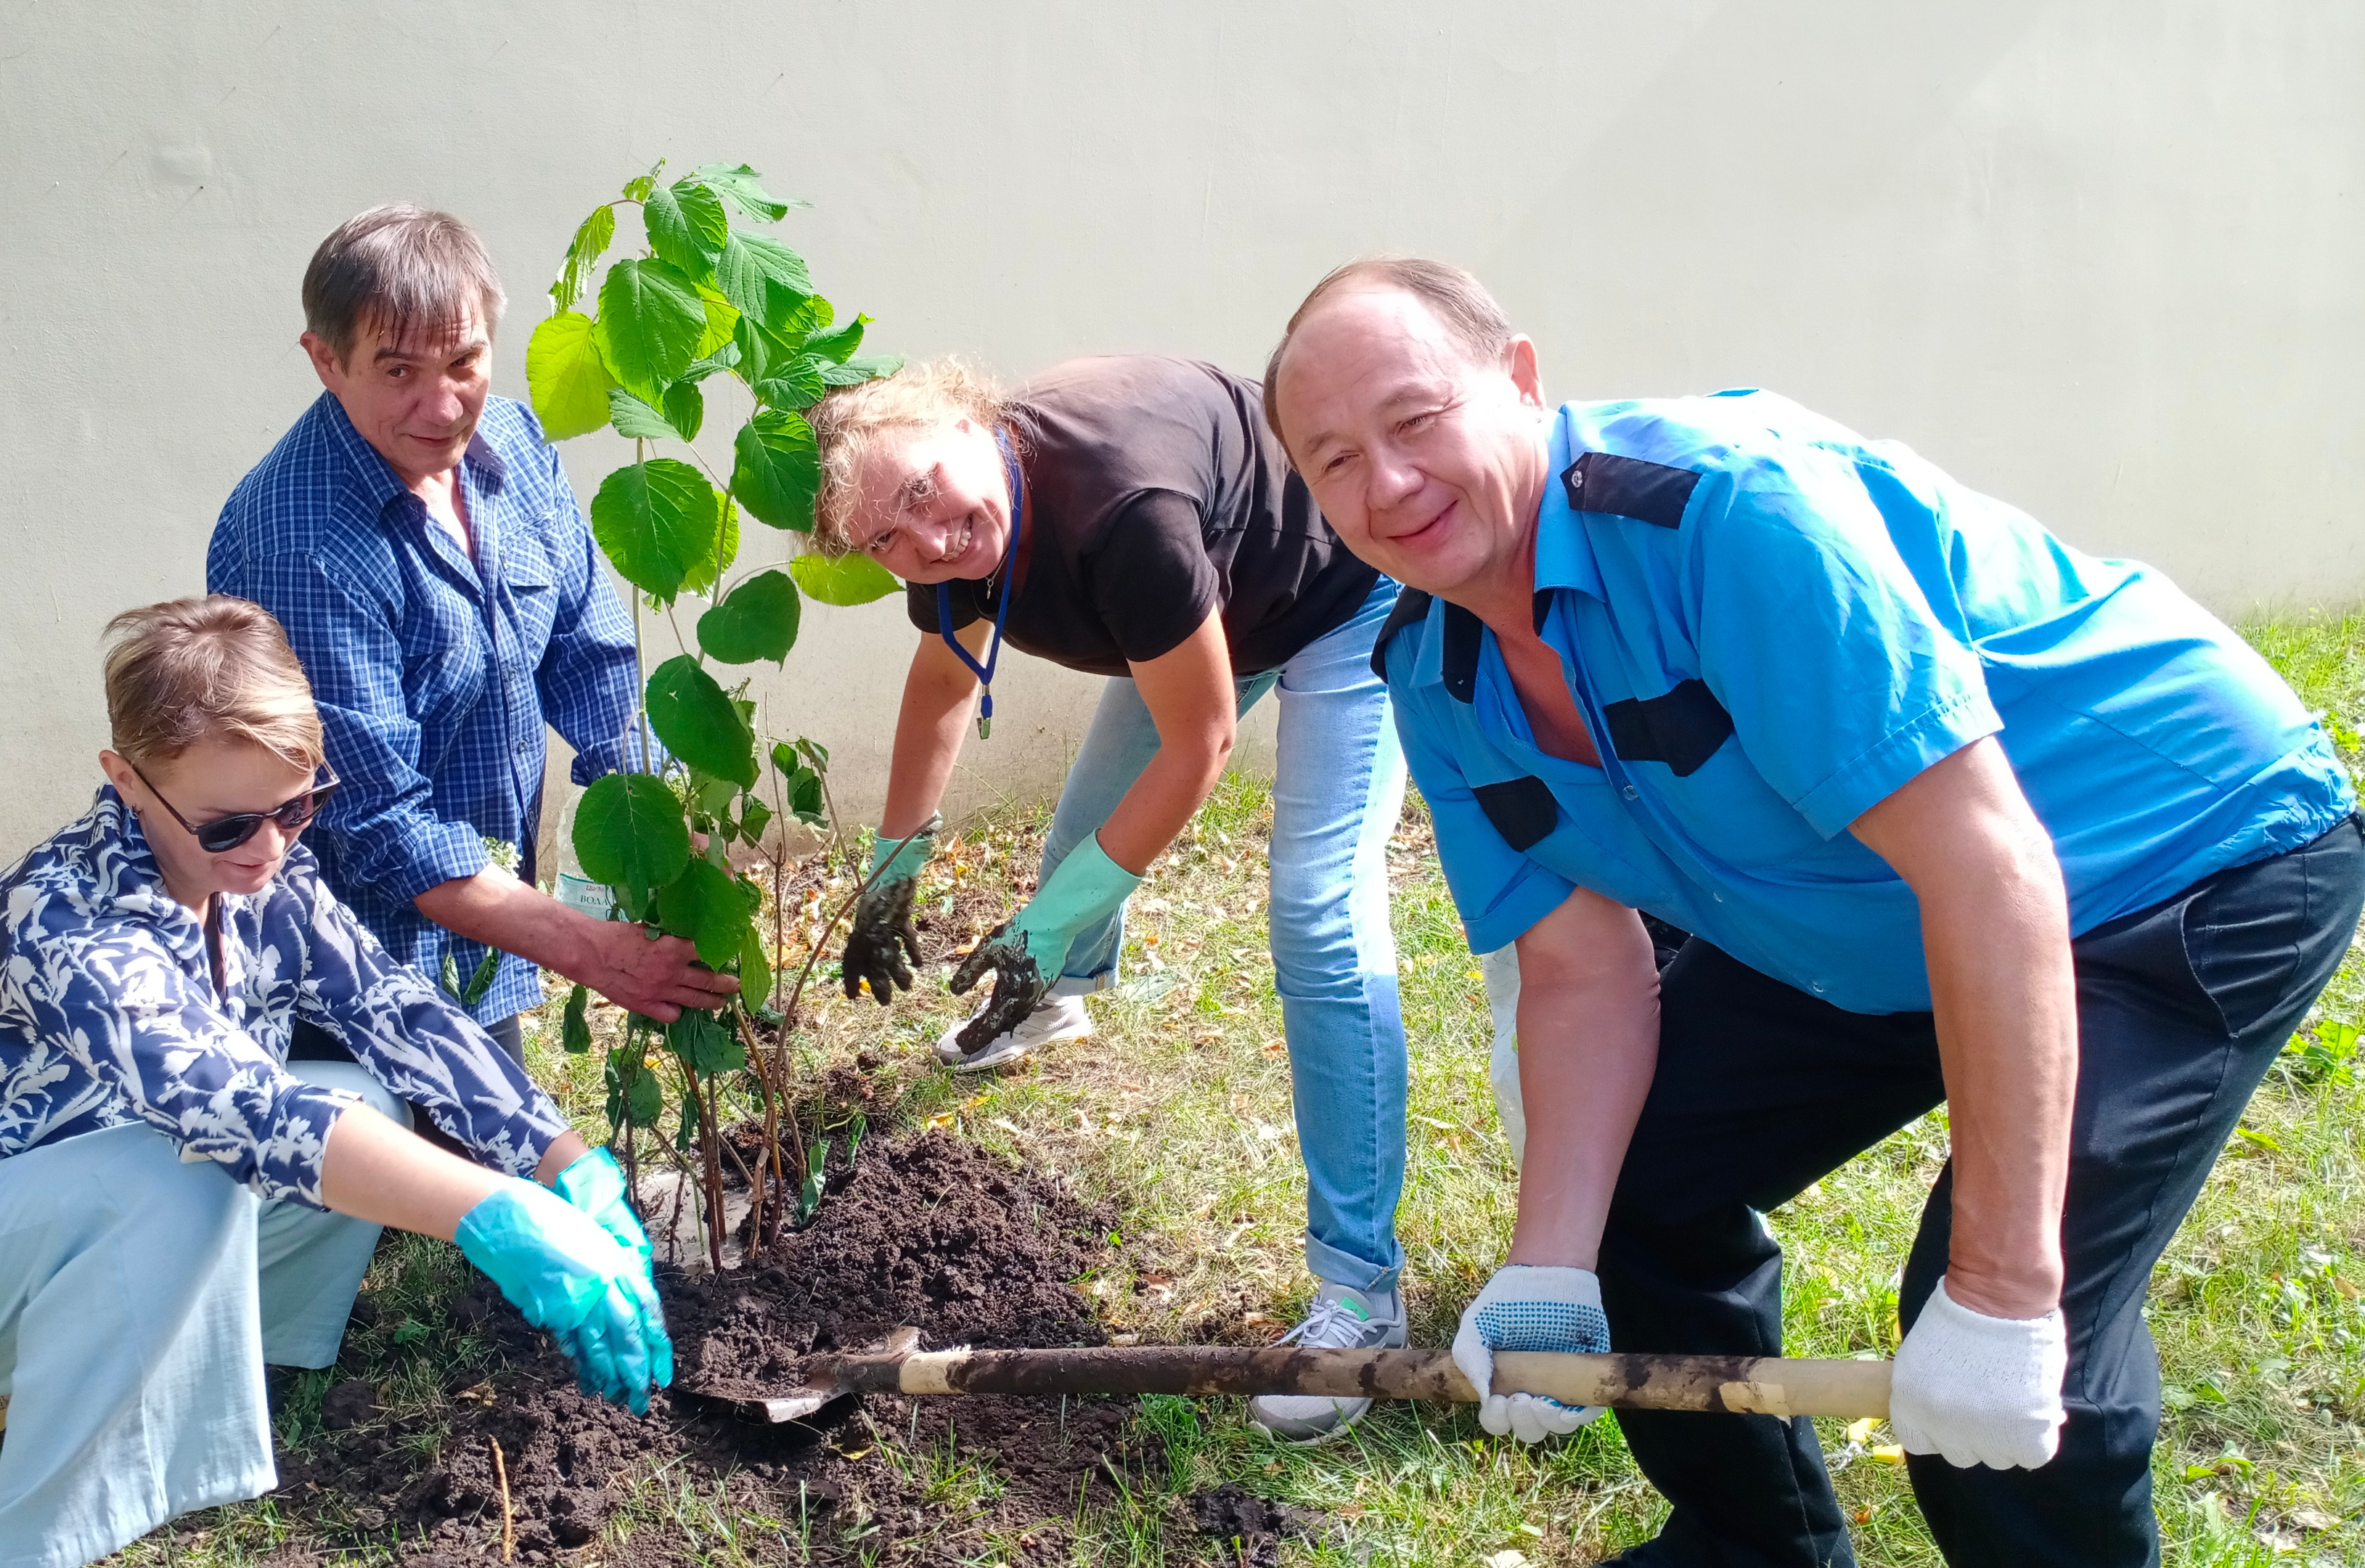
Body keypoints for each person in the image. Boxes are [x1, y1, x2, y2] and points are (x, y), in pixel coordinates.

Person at [1263, 257, 2360, 1565]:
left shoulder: (1728, 516)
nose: (1384, 485)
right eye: (1331, 460)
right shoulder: (1436, 675)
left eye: (1413, 419)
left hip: (2176, 855)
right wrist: (1549, 1268)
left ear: (1522, 380)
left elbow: (1986, 864)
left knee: (1989, 1307)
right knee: (1641, 1186)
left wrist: (2004, 1291)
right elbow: (1580, 973)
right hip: (1876, 906)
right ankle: (1758, 1543)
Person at [0, 597, 672, 1568]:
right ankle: (33, 1546)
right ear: (125, 779)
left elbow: (394, 1010)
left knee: (367, 1109)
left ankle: (237, 1367)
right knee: (182, 1171)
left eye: (296, 805)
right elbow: (246, 1113)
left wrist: (568, 1162)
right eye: (229, 823)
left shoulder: (265, 875)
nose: (270, 848)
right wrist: (493, 1211)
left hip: (15, 1227)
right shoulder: (70, 924)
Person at [807, 355, 1410, 1444]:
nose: (928, 540)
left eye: (925, 494)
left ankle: (1360, 1295)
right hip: (1210, 595)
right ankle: (1056, 992)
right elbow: (946, 678)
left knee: (1319, 916)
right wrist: (892, 868)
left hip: (1334, 596)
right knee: (1087, 833)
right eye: (886, 536)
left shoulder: (1122, 512)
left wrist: (1040, 922)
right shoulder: (944, 519)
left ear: (971, 418)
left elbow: (1202, 741)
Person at [209, 203, 735, 1066]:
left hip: (478, 933)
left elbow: (591, 661)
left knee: (493, 1172)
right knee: (426, 1190)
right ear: (326, 361)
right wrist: (594, 950)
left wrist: (673, 824)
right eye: (399, 371)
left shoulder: (516, 447)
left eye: (464, 362)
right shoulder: (301, 542)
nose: (443, 404)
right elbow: (381, 827)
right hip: (347, 976)